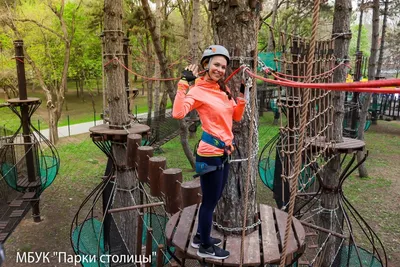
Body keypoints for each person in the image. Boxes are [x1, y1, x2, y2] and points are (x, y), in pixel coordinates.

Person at [172, 45, 246, 259]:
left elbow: (236, 117)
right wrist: (183, 84)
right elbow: (178, 113)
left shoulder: (223, 90)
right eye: (216, 64)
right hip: (210, 153)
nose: (220, 69)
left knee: (214, 197)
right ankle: (205, 246)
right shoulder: (198, 90)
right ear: (206, 64)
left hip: (223, 153)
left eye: (223, 66)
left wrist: (242, 96)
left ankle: (199, 236)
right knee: (210, 202)